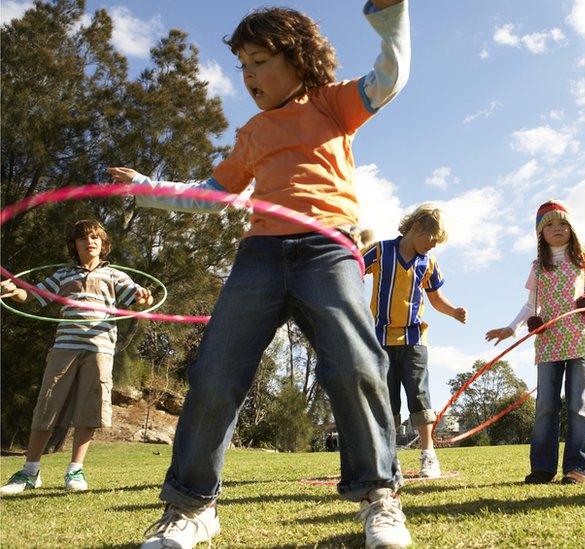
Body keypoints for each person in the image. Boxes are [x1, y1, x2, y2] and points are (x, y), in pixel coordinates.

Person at [108, 2, 412, 547]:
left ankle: (379, 498)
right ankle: (192, 507)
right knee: (215, 373)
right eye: (241, 66)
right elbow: (211, 197)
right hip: (261, 255)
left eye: (259, 61)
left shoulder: (331, 103)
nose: (248, 77)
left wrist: (391, 20)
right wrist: (146, 187)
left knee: (355, 364)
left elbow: (389, 79)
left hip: (327, 247)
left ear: (297, 59)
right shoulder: (251, 132)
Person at [0, 219, 152, 495]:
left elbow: (140, 299)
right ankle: (29, 471)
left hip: (100, 349)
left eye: (95, 237)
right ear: (75, 245)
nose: (89, 241)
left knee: (89, 409)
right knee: (47, 405)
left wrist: (144, 295)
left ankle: (75, 470)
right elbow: (32, 296)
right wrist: (14, 290)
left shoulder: (116, 276)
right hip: (64, 347)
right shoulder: (63, 275)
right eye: (83, 238)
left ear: (103, 244)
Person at [485, 200, 585, 485]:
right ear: (540, 234)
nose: (557, 229)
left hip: (581, 338)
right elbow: (531, 305)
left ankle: (579, 467)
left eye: (563, 223)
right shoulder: (538, 267)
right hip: (549, 342)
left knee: (580, 403)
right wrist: (511, 328)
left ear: (572, 227)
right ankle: (543, 468)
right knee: (545, 405)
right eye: (549, 225)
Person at [363, 204, 467, 478]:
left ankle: (428, 455)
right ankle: (387, 458)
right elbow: (353, 270)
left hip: (414, 338)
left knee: (419, 395)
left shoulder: (427, 263)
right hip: (381, 338)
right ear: (417, 227)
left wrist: (453, 311)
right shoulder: (381, 251)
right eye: (431, 240)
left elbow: (435, 298)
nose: (432, 247)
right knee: (386, 399)